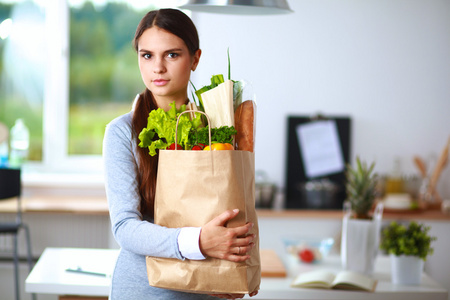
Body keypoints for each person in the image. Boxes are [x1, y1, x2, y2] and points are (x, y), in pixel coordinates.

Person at [103, 8, 258, 300]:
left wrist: (239, 264)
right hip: (143, 289)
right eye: (147, 55)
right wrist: (199, 241)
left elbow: (235, 209)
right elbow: (125, 228)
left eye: (172, 55)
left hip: (209, 287)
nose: (157, 68)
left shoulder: (218, 127)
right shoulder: (122, 132)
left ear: (195, 59)